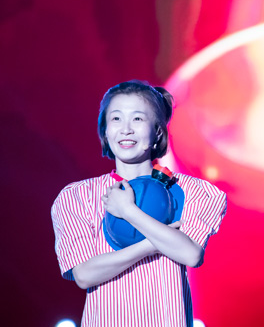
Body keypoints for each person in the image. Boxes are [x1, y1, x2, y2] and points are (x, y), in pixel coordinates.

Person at [51, 80, 227, 327]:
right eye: (116, 119)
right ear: (105, 131)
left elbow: (190, 254)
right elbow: (84, 274)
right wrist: (152, 245)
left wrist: (128, 211)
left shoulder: (195, 191)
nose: (126, 130)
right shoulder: (77, 197)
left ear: (157, 131)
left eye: (137, 119)